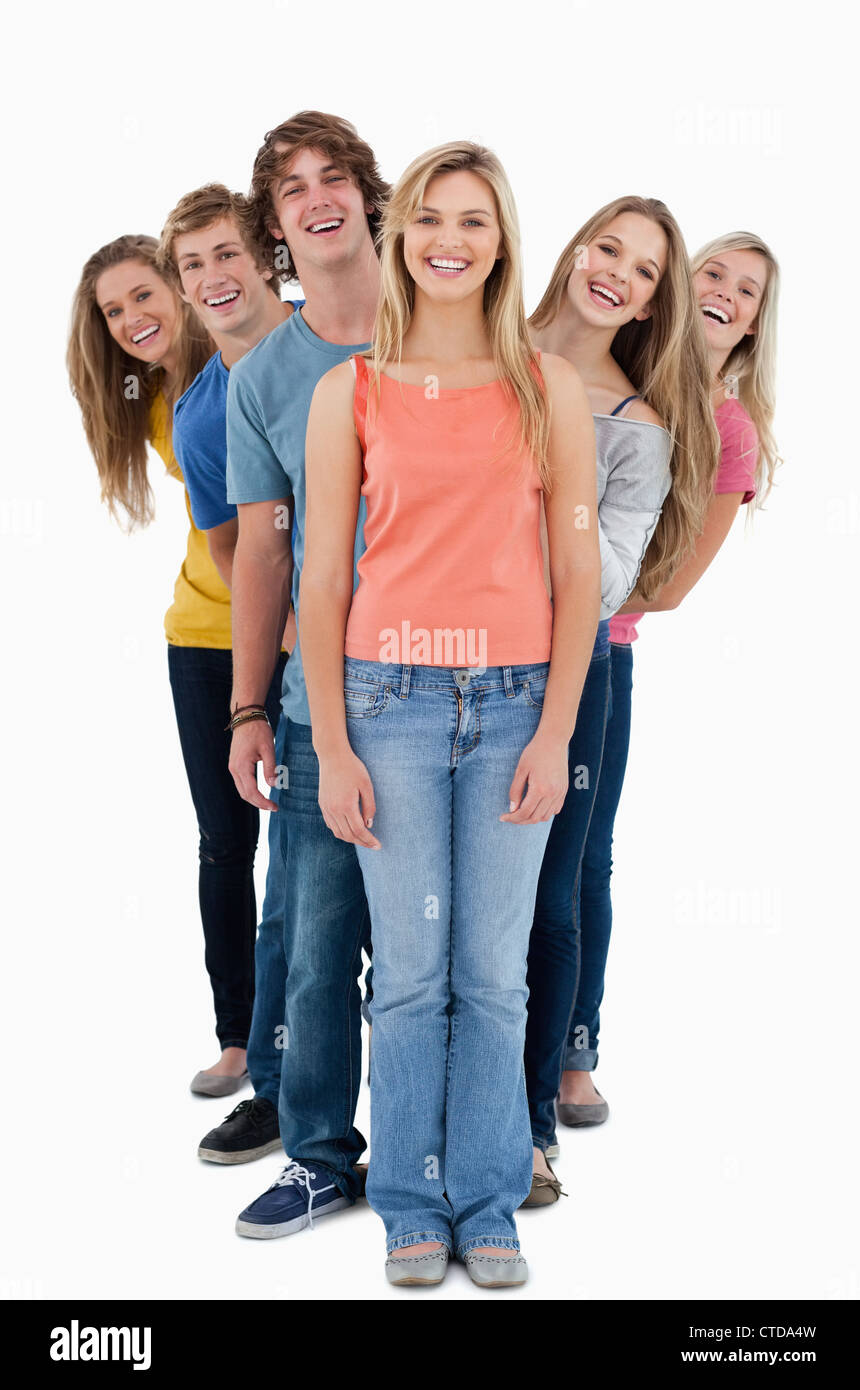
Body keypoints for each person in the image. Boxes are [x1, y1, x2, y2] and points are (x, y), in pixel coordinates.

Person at [300, 141, 600, 1287]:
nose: (448, 240)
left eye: (473, 221)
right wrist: (330, 743)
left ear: (500, 241)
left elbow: (578, 575)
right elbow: (323, 579)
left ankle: (487, 1202)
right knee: (413, 972)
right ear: (398, 237)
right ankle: (406, 1204)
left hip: (518, 699)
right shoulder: (353, 390)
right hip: (389, 701)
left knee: (495, 972)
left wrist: (556, 730)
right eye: (429, 218)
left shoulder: (544, 385)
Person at [557, 232, 781, 1133]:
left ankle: (575, 1054)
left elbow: (674, 587)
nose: (725, 294)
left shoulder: (726, 429)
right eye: (712, 274)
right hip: (508, 650)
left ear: (759, 324)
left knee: (583, 861)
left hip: (602, 649)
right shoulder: (613, 372)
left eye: (749, 291)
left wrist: (571, 600)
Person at [521, 198, 719, 1201]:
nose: (616, 275)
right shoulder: (475, 355)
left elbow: (600, 582)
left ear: (649, 305)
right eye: (608, 248)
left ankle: (526, 1131)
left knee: (552, 895)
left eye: (643, 273)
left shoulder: (631, 423)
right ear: (572, 248)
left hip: (572, 668)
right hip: (433, 664)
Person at [222, 112, 389, 1231]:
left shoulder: (450, 324)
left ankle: (474, 1145)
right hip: (314, 701)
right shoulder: (262, 378)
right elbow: (264, 556)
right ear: (276, 227)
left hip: (463, 687)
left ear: (369, 197)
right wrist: (247, 709)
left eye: (334, 177)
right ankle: (321, 1151)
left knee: (456, 945)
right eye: (292, 189)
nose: (316, 196)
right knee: (319, 941)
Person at [67, 236, 277, 1096]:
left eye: (143, 295)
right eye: (113, 312)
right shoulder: (156, 398)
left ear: (185, 289)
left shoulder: (252, 363)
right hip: (201, 637)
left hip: (293, 630)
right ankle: (238, 1037)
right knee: (226, 846)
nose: (132, 320)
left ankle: (351, 1031)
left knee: (326, 843)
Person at [156, 184, 298, 1157]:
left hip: (435, 652)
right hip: (305, 667)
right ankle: (284, 1089)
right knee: (296, 889)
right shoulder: (205, 418)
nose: (211, 277)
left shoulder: (350, 336)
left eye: (224, 253)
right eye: (190, 264)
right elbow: (238, 562)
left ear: (266, 256)